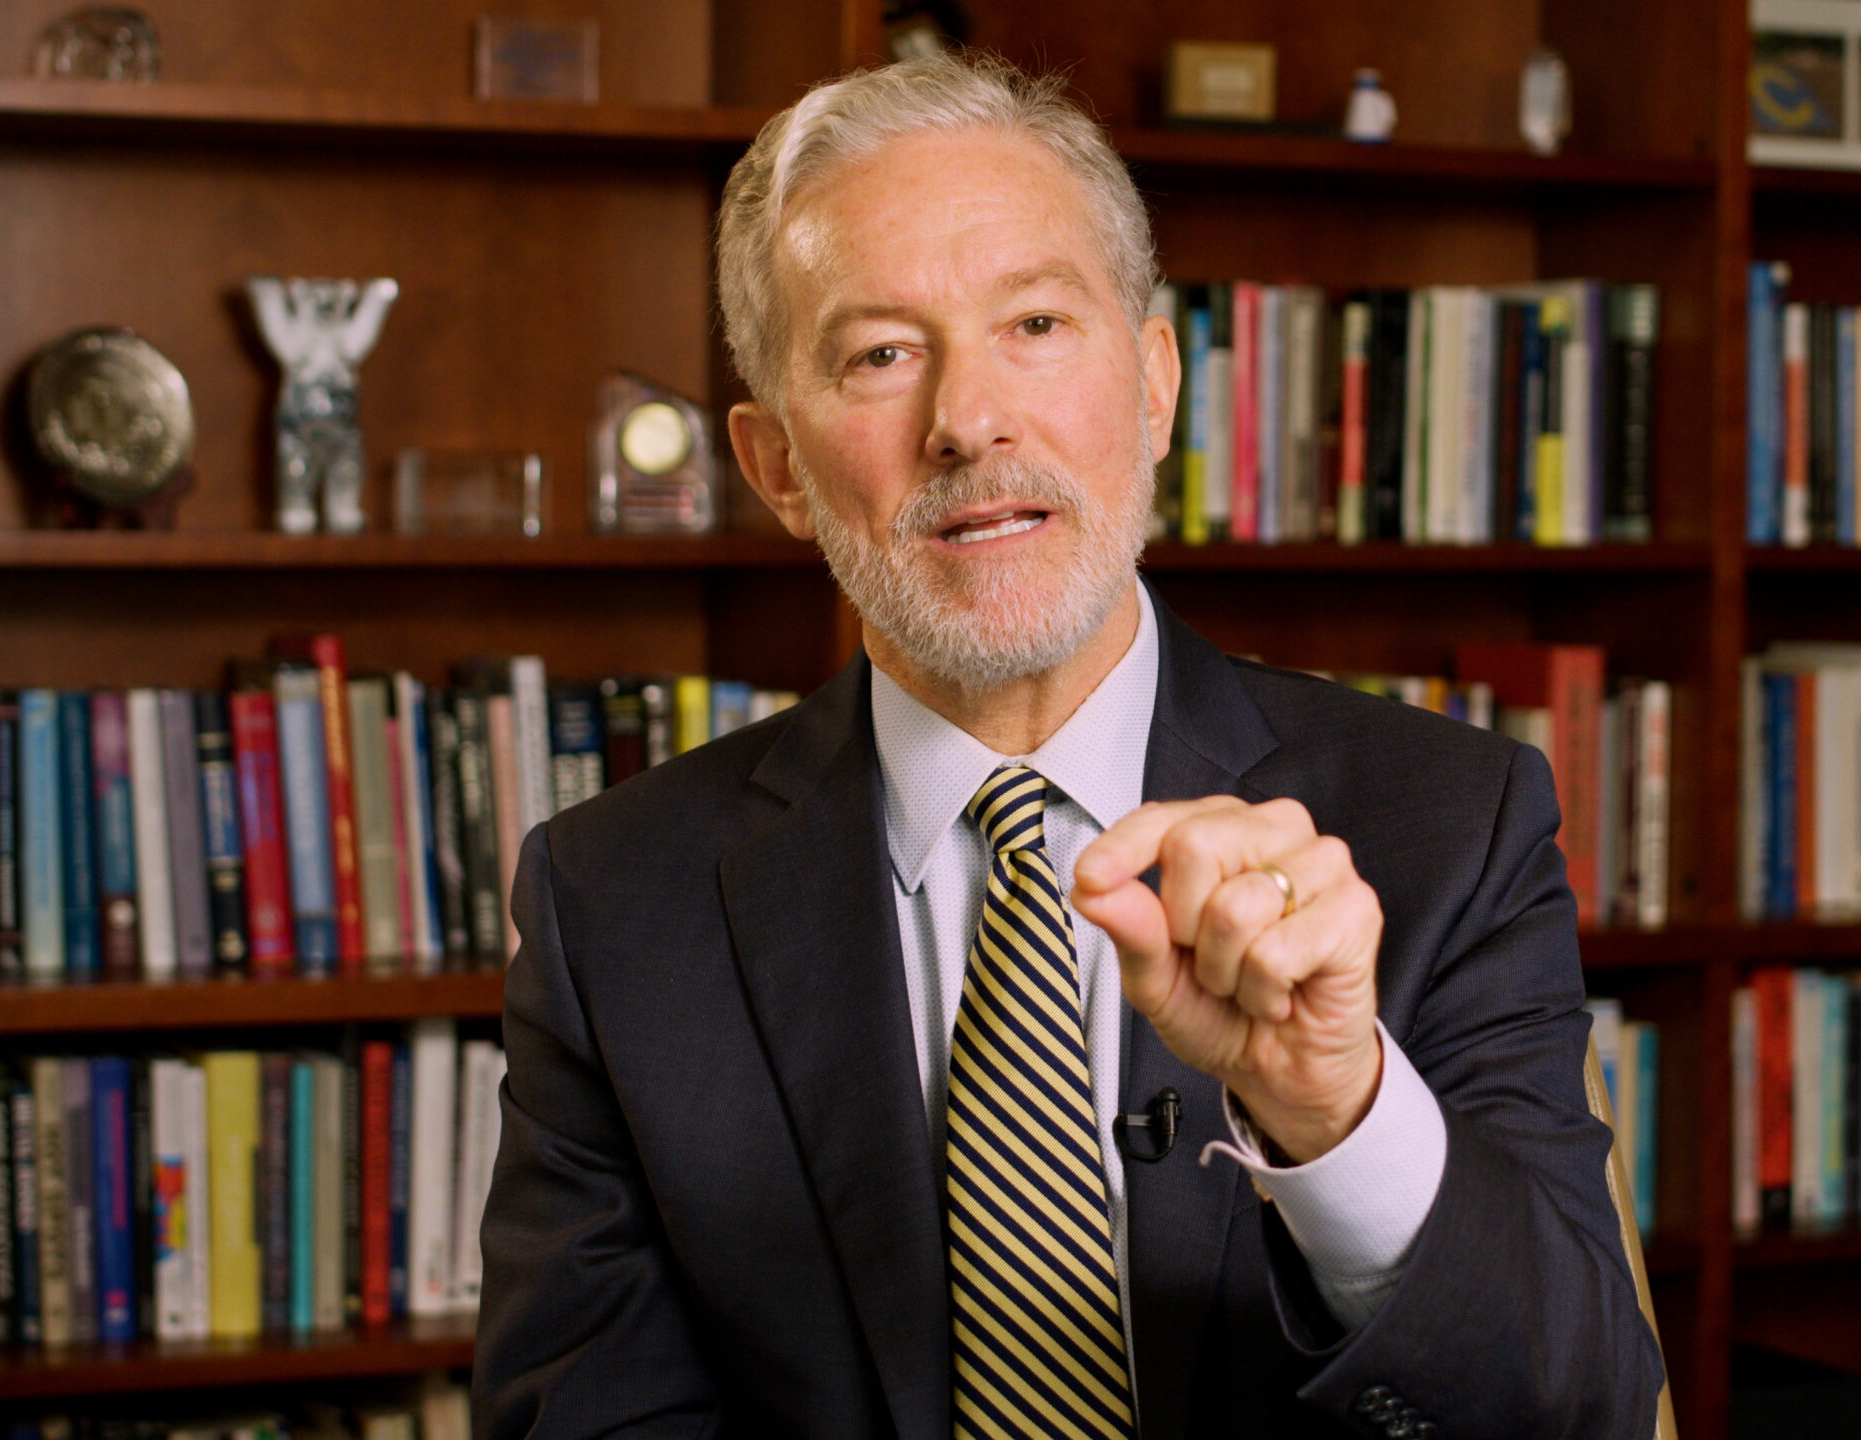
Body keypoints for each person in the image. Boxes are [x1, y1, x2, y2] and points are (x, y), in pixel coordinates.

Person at [472, 50, 1663, 1440]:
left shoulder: (1451, 822)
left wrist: (1339, 1116)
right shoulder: (613, 901)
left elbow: (1579, 1403)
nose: (970, 420)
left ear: (1155, 386)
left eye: (1035, 322)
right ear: (778, 466)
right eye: (880, 354)